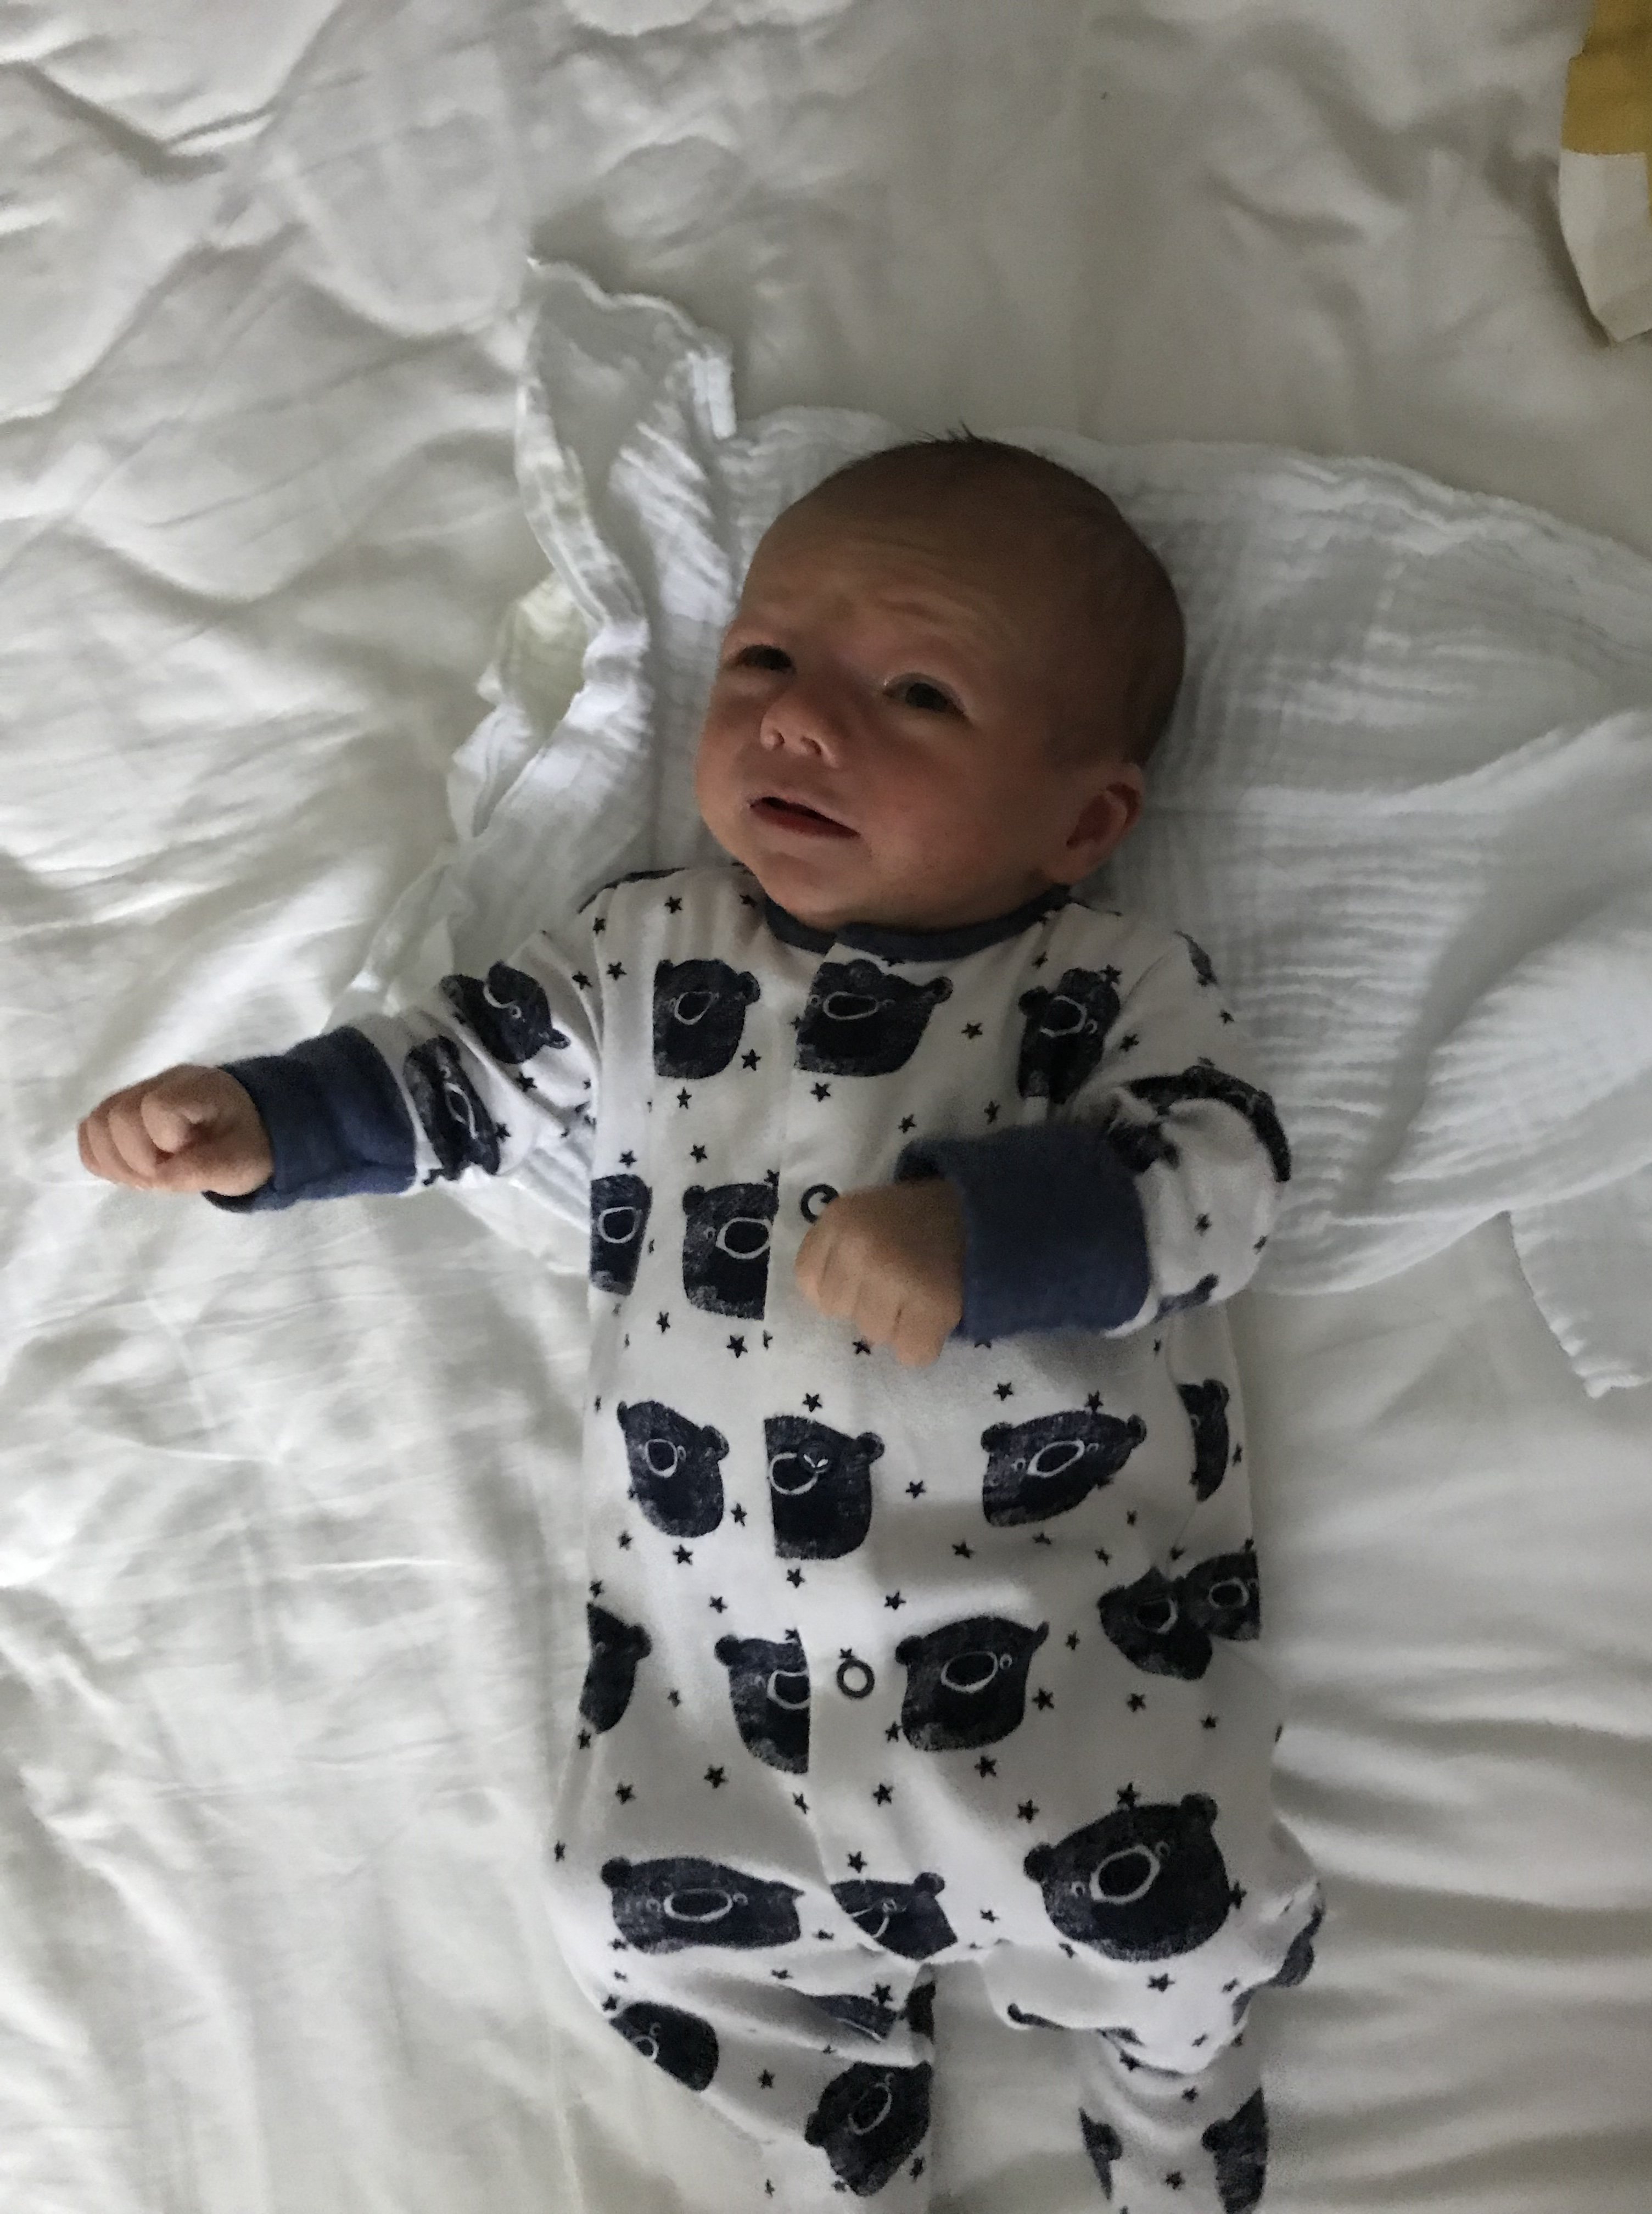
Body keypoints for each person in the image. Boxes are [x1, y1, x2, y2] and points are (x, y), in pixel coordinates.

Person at [79, 437, 1318, 2211]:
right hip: (718, 1703)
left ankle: (1174, 2113)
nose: (798, 722)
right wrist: (267, 1121)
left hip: (1063, 1657)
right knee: (621, 1919)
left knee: (1187, 1927)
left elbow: (1222, 1179)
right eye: (765, 661)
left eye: (917, 693)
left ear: (1083, 822)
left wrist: (986, 1233)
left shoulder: (1102, 985)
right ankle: (838, 2149)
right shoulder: (644, 956)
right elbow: (459, 1075)